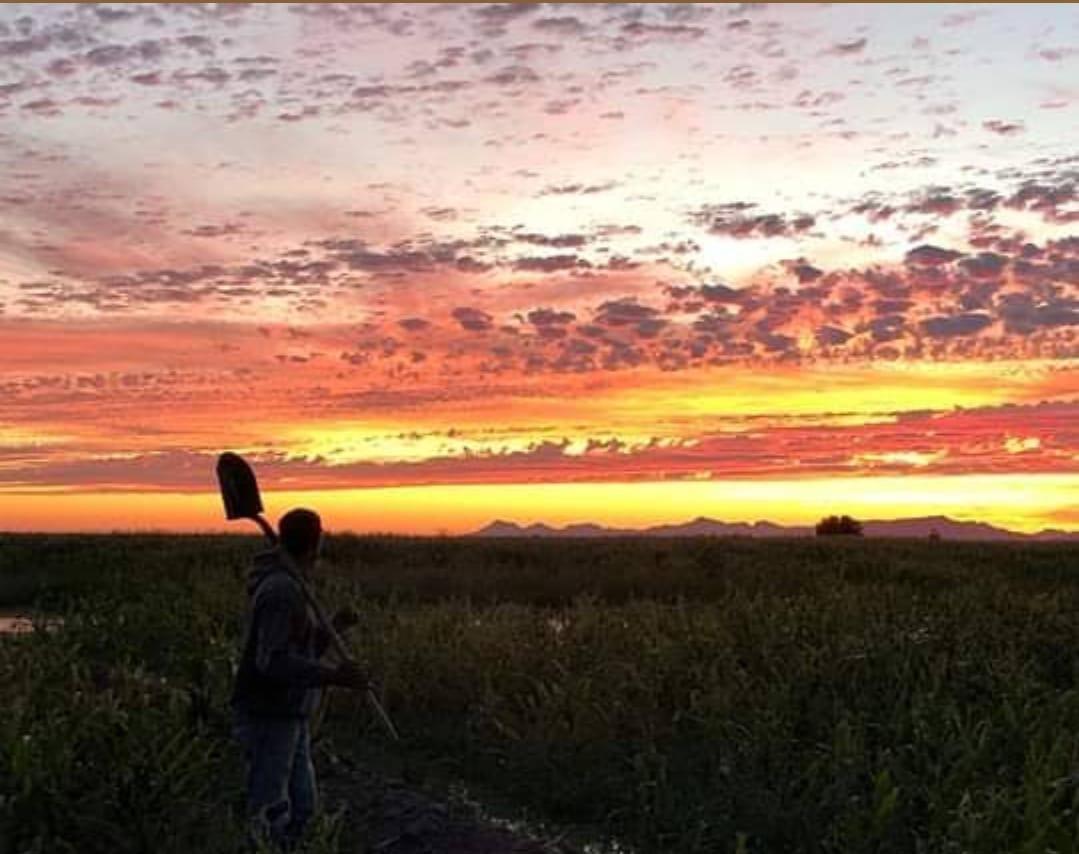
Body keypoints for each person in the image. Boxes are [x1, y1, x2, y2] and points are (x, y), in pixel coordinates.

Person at [231, 507, 368, 850]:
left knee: (303, 809)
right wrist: (333, 676)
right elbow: (273, 662)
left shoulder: (293, 584)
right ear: (316, 541)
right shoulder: (281, 590)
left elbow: (299, 650)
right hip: (269, 715)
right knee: (270, 813)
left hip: (290, 715)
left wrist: (333, 628)